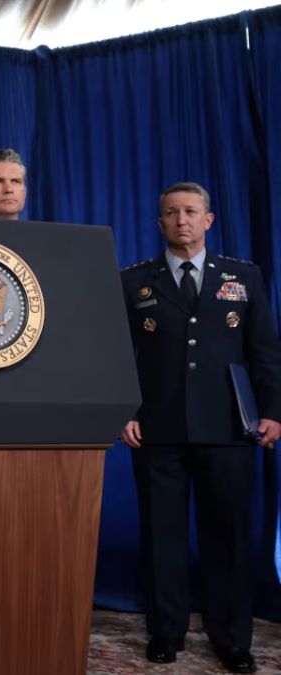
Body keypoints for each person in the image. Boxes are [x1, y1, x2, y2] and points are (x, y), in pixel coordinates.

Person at [119, 182, 281, 674]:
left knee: (227, 537)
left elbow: (264, 352)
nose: (182, 220)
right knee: (161, 535)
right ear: (159, 223)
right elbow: (118, 356)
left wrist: (272, 411)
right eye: (171, 213)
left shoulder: (243, 277)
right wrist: (123, 410)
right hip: (158, 427)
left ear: (208, 220)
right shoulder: (134, 282)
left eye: (191, 211)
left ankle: (231, 638)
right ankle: (165, 631)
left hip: (229, 428)